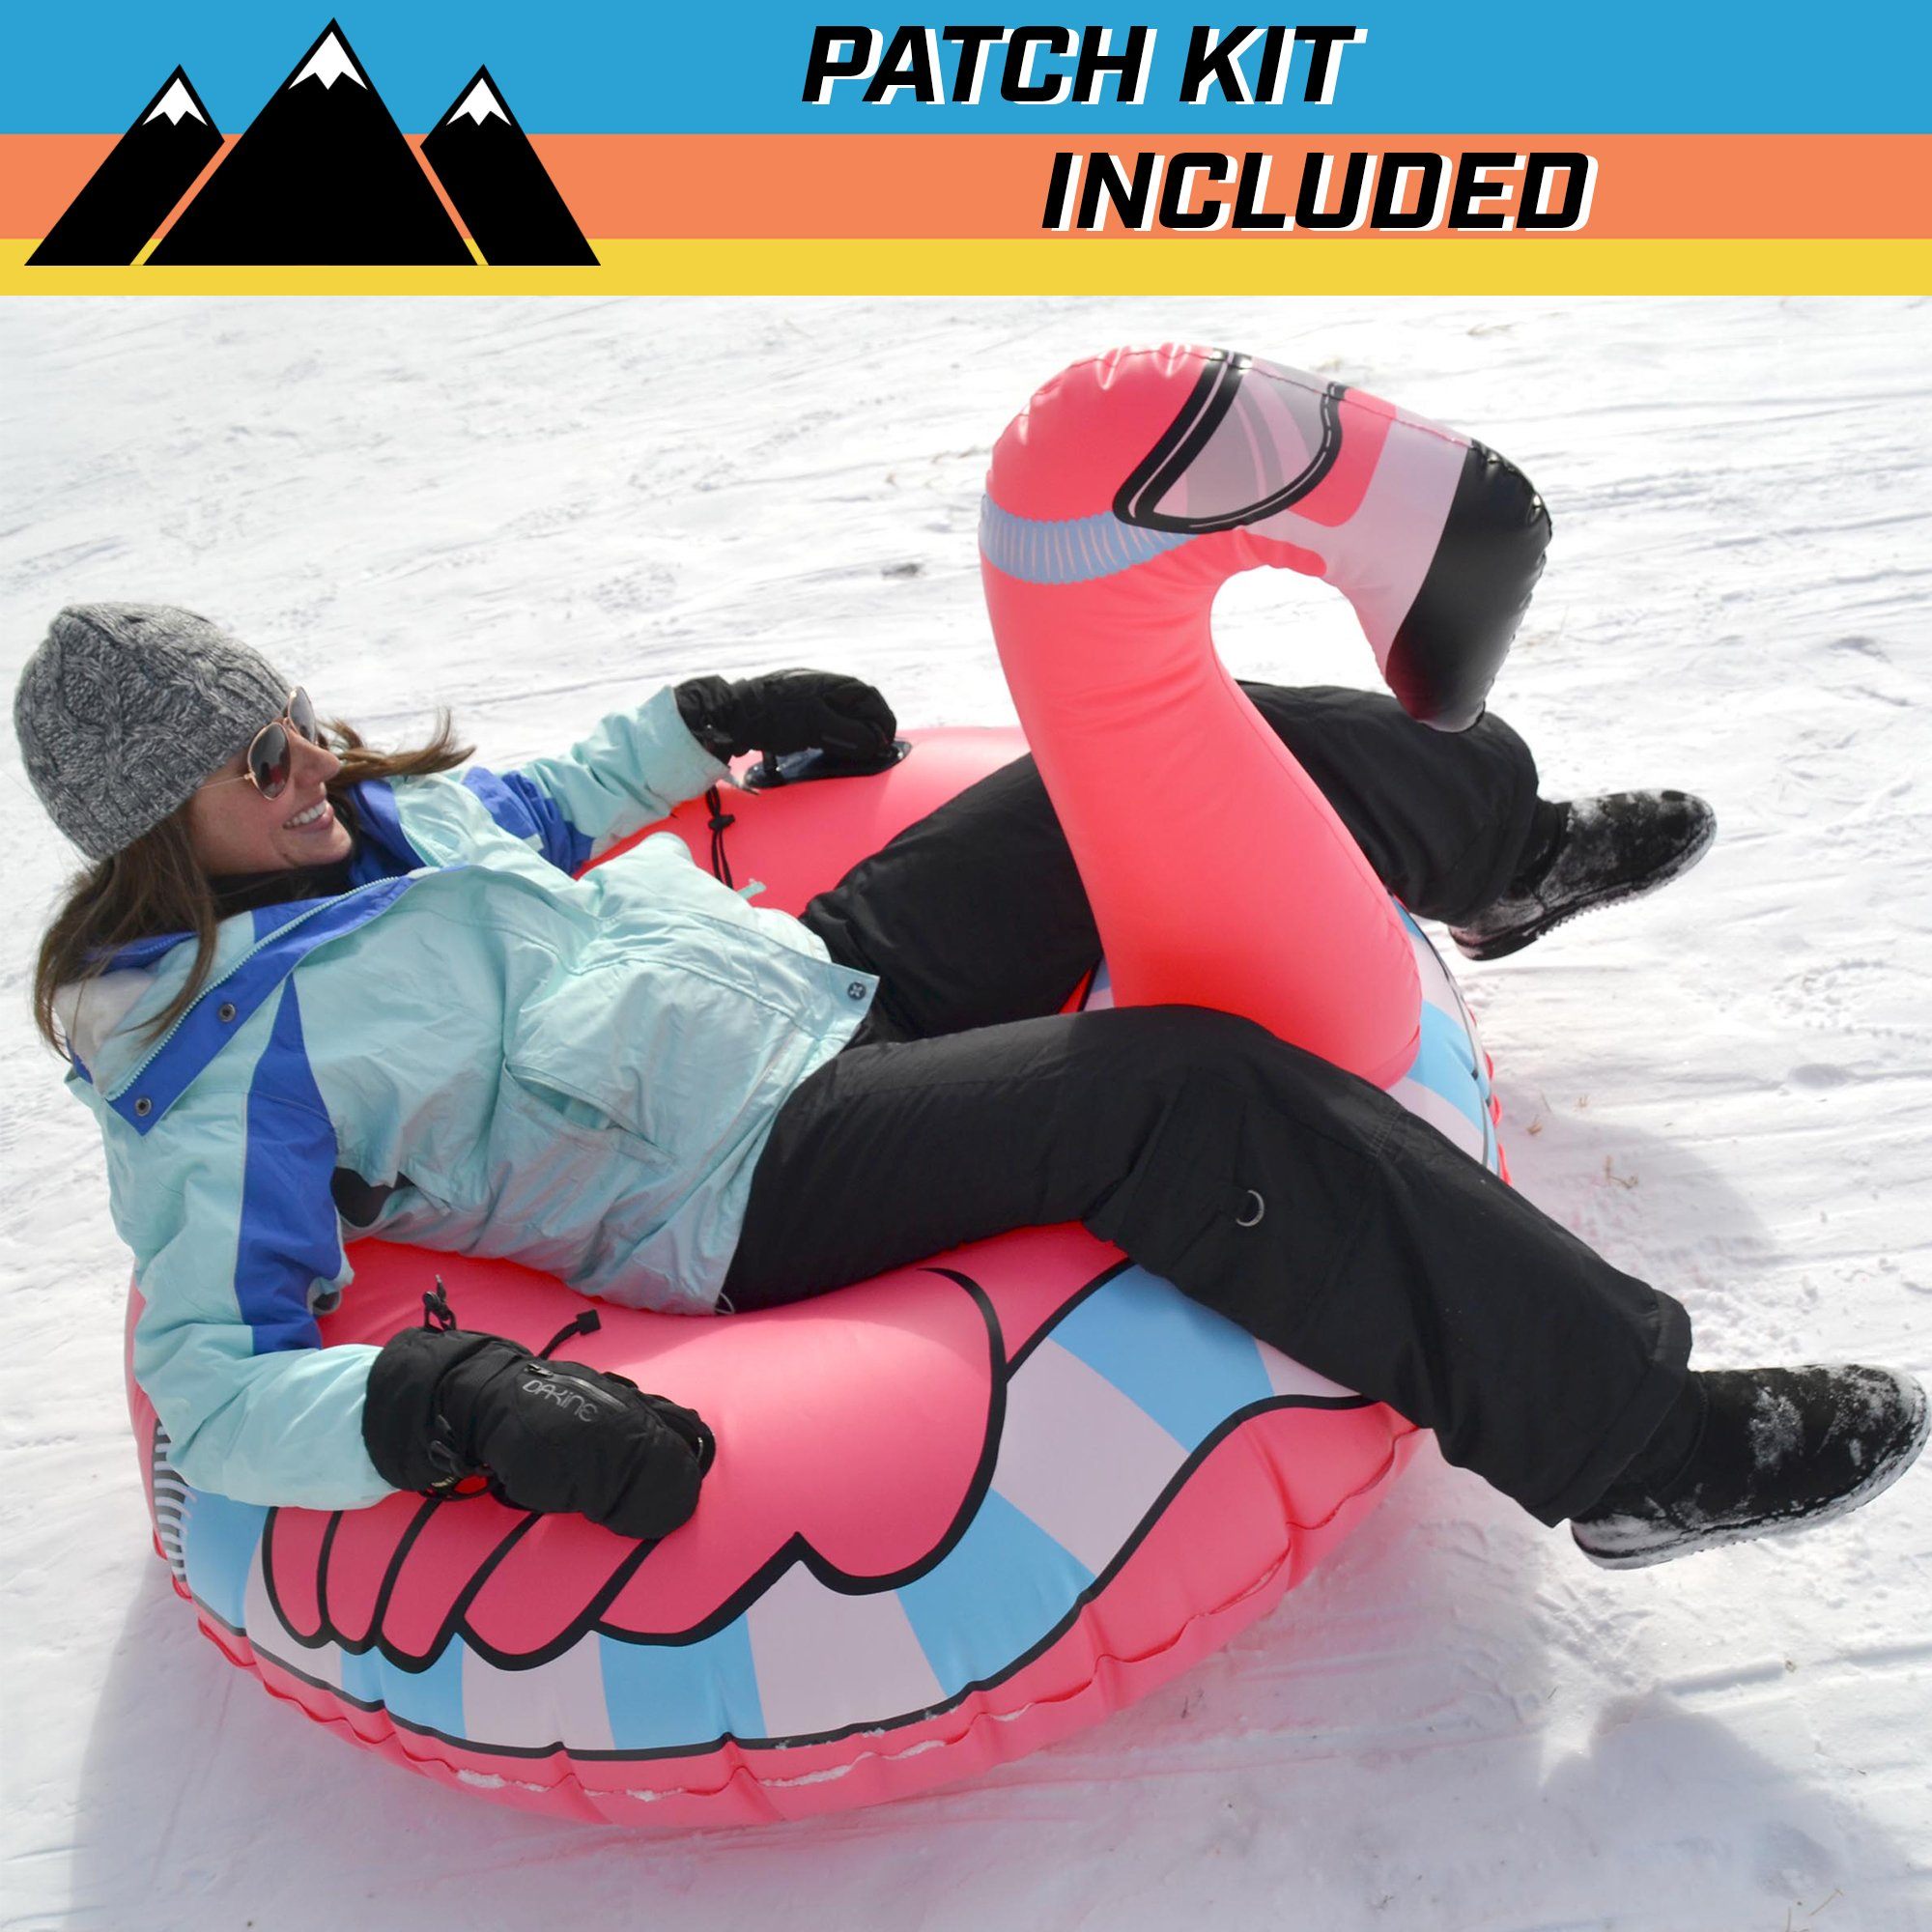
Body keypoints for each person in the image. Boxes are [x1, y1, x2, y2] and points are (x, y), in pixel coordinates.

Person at [17, 603, 1926, 1572]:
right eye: (253, 757)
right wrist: (446, 1405)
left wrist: (706, 722)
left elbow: (537, 805)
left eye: (290, 716)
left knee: (1155, 751)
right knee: (1179, 1092)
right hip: (744, 1171)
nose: (306, 759)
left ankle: (1498, 857)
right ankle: (1633, 1449)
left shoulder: (371, 820)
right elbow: (215, 1380)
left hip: (807, 977)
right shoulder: (213, 1062)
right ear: (151, 824)